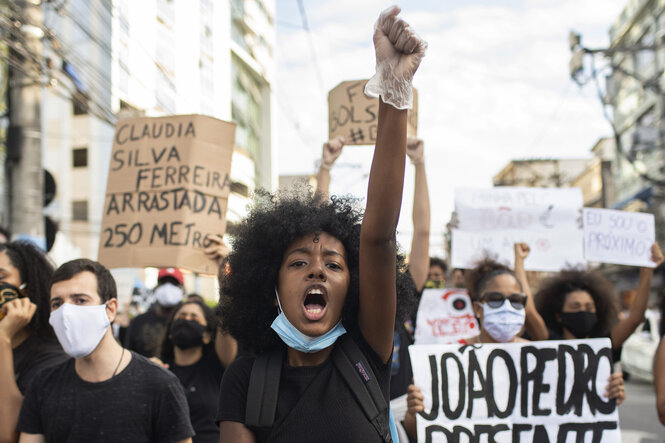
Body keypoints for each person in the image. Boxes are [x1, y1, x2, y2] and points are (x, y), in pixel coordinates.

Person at [216, 6, 426, 441]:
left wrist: (394, 90)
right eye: (298, 263)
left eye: (333, 264)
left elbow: (379, 238)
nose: (316, 269)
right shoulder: (246, 377)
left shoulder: (366, 352)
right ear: (269, 283)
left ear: (354, 285)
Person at [17, 258, 194, 442]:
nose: (66, 312)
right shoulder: (43, 385)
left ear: (110, 309)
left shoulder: (160, 385)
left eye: (80, 300)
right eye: (57, 304)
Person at [535, 243, 664, 359]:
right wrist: (519, 261)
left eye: (589, 307)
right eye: (575, 307)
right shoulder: (549, 344)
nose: (583, 311)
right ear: (558, 315)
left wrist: (647, 271)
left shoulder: (605, 344)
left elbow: (635, 318)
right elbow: (530, 314)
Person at [0, 241, 67, 443]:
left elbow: (8, 434)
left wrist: (2, 339)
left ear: (27, 289)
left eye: (1, 277)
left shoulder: (51, 360)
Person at [159, 300, 237, 443]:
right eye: (181, 317)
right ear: (170, 332)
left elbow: (226, 325)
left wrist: (226, 294)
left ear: (207, 335)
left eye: (194, 318)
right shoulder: (160, 370)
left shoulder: (216, 367)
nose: (187, 320)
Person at [125, 267, 185, 357]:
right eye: (164, 283)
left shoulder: (188, 321)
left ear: (181, 289)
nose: (168, 288)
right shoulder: (138, 322)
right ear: (157, 287)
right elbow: (129, 356)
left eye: (173, 283)